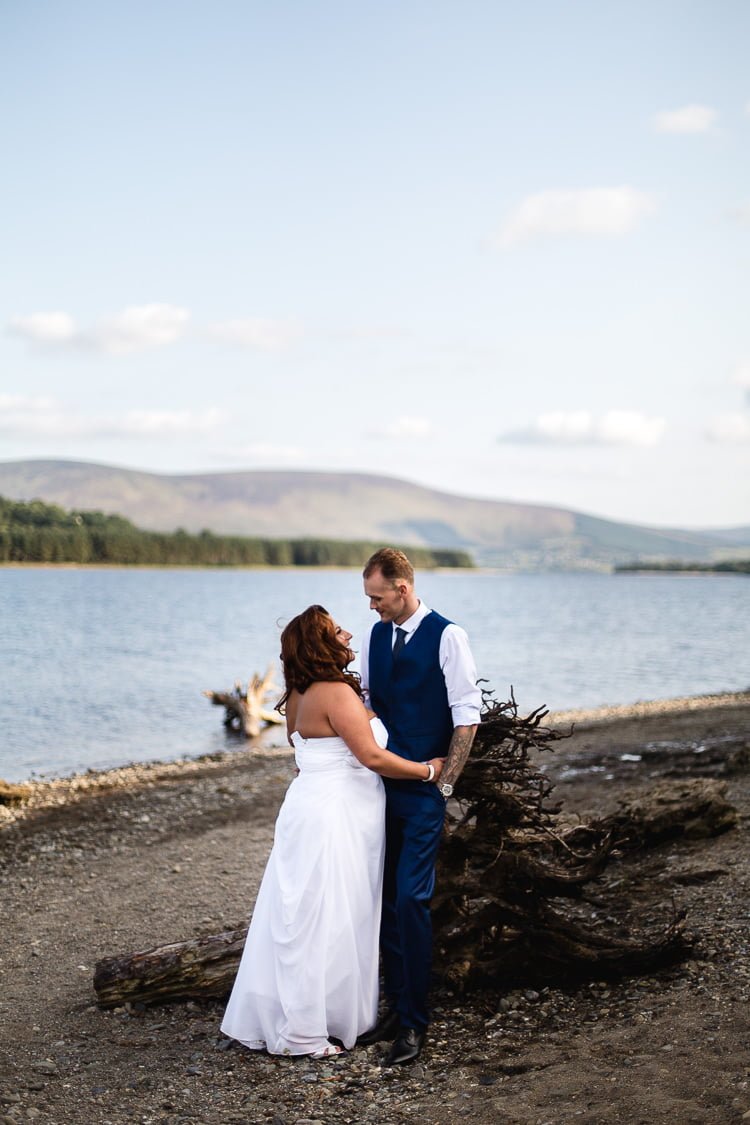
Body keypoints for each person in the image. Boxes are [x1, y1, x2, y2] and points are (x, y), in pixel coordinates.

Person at [220, 604, 446, 1059]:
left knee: (298, 914)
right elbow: (372, 757)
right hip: (336, 815)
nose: (346, 634)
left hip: (308, 806)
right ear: (321, 643)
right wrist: (428, 771)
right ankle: (305, 1030)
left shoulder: (299, 694)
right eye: (335, 630)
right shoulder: (335, 693)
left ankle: (304, 1015)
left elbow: (301, 748)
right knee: (327, 919)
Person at [357, 548, 481, 1065]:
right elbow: (365, 705)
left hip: (425, 794)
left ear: (402, 589)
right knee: (382, 901)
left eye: (377, 597)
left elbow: (468, 717)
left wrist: (444, 786)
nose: (371, 607)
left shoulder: (448, 636)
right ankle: (393, 1005)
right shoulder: (375, 636)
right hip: (374, 792)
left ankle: (414, 1023)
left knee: (411, 899)